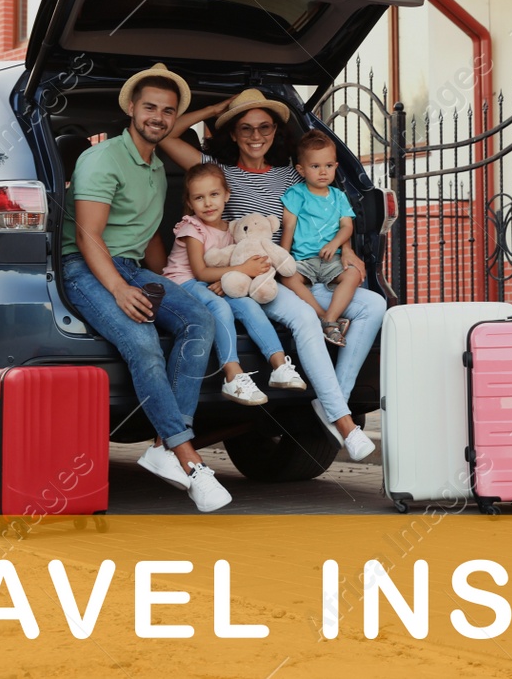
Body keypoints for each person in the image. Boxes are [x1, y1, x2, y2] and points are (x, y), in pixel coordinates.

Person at [160, 88, 380, 463]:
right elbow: (165, 135)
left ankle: (331, 404)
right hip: (251, 281)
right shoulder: (219, 172)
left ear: (276, 131)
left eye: (264, 127)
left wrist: (346, 249)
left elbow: (324, 215)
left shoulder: (292, 176)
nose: (256, 135)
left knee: (373, 304)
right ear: (232, 133)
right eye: (245, 127)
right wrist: (217, 108)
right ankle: (343, 422)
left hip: (294, 273)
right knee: (305, 319)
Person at [58, 63, 231, 512]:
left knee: (198, 318)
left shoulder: (155, 168)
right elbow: (87, 236)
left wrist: (181, 283)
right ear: (131, 108)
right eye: (150, 106)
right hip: (86, 268)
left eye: (168, 111)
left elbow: (148, 237)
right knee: (143, 340)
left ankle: (161, 445)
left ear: (175, 120)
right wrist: (117, 288)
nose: (158, 116)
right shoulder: (102, 158)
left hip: (131, 266)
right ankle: (189, 461)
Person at [162, 163, 309, 404]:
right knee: (219, 307)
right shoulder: (192, 228)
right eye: (199, 198)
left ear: (227, 195)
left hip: (211, 281)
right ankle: (232, 375)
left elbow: (225, 266)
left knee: (249, 306)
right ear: (189, 203)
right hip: (182, 284)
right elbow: (199, 271)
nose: (208, 203)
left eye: (214, 195)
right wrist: (239, 271)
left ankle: (279, 365)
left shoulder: (232, 229)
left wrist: (230, 276)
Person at [279, 131, 363, 345]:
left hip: (331, 261)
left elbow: (347, 226)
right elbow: (288, 228)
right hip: (304, 261)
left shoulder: (339, 197)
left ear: (335, 166)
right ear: (301, 169)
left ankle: (331, 318)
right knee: (288, 278)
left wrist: (335, 244)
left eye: (328, 166)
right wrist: (283, 260)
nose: (323, 172)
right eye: (315, 166)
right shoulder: (296, 194)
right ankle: (322, 316)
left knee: (353, 275)